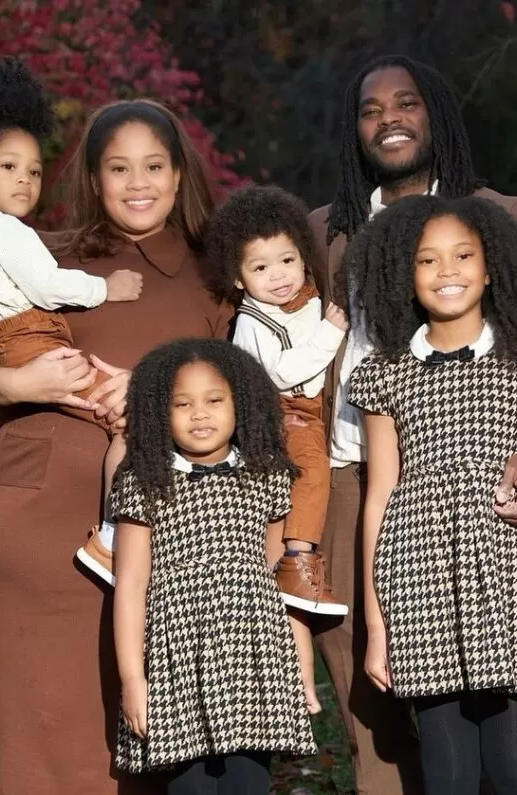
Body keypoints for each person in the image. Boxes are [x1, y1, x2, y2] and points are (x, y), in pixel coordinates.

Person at [0, 98, 229, 795]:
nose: (137, 182)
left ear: (179, 174)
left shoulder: (217, 270)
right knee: (45, 730)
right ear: (93, 179)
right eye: (118, 167)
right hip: (39, 521)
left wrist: (158, 394)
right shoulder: (39, 251)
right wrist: (16, 380)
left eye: (154, 166)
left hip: (171, 533)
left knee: (152, 730)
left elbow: (254, 390)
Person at [306, 54, 517, 794]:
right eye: (370, 109)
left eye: (407, 102)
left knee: (485, 697)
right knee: (375, 701)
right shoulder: (323, 230)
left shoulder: (496, 218)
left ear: (437, 117)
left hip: (468, 482)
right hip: (345, 482)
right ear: (353, 128)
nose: (388, 118)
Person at [346, 195, 517, 793]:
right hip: (418, 591)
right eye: (427, 260)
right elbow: (379, 498)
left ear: (490, 268)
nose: (447, 271)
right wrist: (378, 629)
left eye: (462, 256)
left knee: (515, 771)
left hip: (510, 591)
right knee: (447, 773)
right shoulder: (385, 373)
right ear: (405, 276)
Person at [0, 58, 143, 566]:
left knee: (8, 423)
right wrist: (106, 288)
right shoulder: (5, 230)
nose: (25, 181)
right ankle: (114, 536)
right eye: (8, 168)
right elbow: (47, 286)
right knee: (127, 419)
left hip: (1, 341)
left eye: (33, 171)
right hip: (27, 337)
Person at [112, 338, 317, 794]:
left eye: (214, 400)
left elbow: (274, 574)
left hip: (253, 656)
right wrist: (132, 677)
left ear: (240, 404)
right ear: (158, 414)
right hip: (177, 658)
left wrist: (300, 664)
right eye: (182, 404)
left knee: (248, 782)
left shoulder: (266, 475)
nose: (199, 414)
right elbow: (130, 583)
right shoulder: (145, 481)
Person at [202, 184, 349, 714]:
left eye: (287, 259)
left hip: (312, 414)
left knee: (284, 594)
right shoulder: (252, 322)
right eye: (261, 268)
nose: (280, 274)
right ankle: (299, 553)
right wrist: (331, 334)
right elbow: (285, 371)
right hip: (280, 419)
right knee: (309, 472)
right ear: (240, 279)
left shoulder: (307, 299)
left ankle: (298, 685)